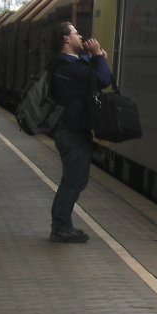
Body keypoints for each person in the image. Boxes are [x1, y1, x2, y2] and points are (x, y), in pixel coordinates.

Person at [48, 21, 113, 243]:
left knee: (76, 179)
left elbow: (91, 70)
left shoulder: (70, 63)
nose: (80, 35)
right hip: (71, 131)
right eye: (76, 33)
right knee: (73, 180)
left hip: (75, 129)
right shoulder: (66, 67)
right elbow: (103, 79)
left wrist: (96, 57)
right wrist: (97, 56)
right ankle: (60, 227)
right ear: (66, 39)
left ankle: (62, 225)